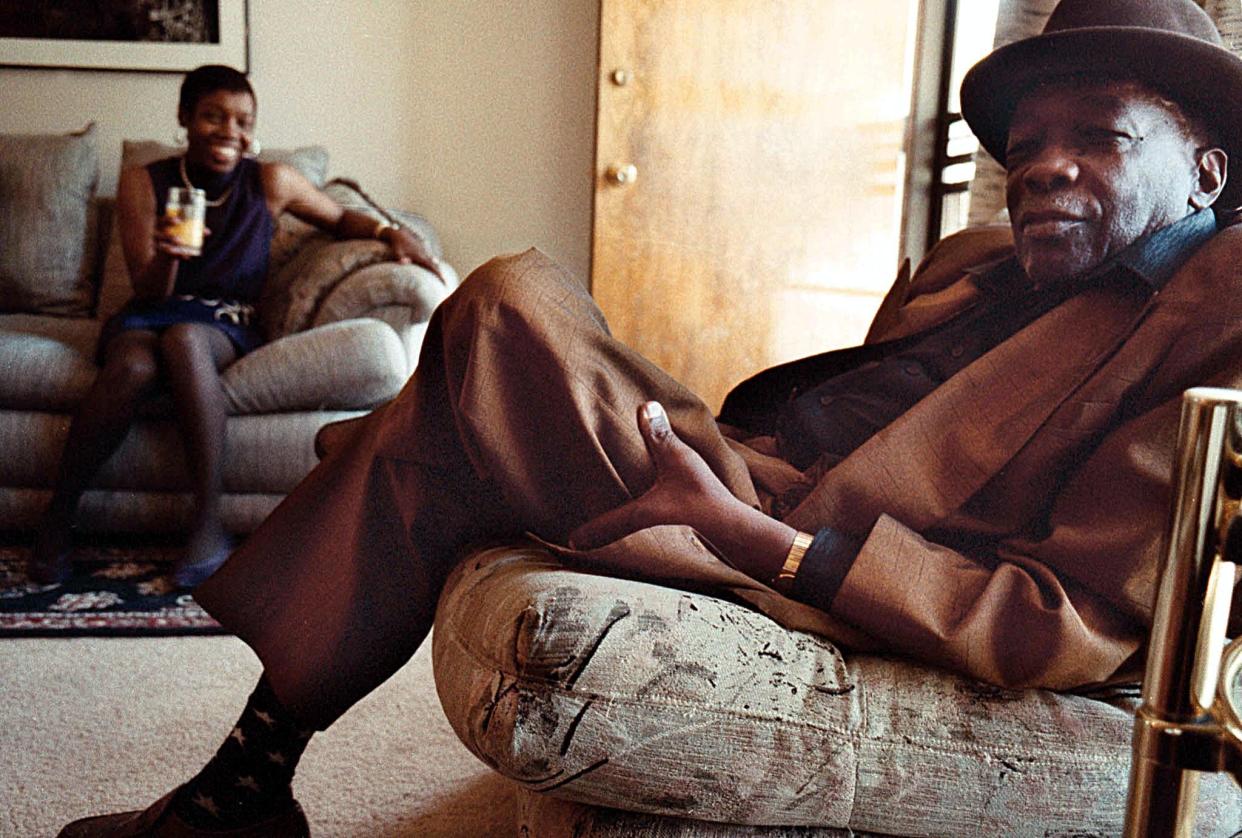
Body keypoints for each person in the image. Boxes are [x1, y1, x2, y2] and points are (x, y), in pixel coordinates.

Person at [57, 0, 1242, 834]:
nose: (1043, 167)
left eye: (1100, 137)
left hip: (815, 545)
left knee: (503, 308)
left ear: (1205, 173)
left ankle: (240, 787)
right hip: (757, 460)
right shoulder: (989, 264)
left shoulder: (1211, 319)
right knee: (489, 355)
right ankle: (244, 788)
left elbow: (1064, 617)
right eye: (1029, 146)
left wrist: (752, 536)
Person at [28, 64, 441, 589]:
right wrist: (170, 256)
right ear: (184, 118)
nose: (229, 131)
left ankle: (207, 524)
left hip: (222, 321)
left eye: (242, 121)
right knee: (131, 365)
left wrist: (390, 231)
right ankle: (58, 518)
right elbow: (150, 290)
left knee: (183, 340)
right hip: (152, 309)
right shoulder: (145, 181)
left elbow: (339, 219)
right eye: (212, 117)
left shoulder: (270, 180)